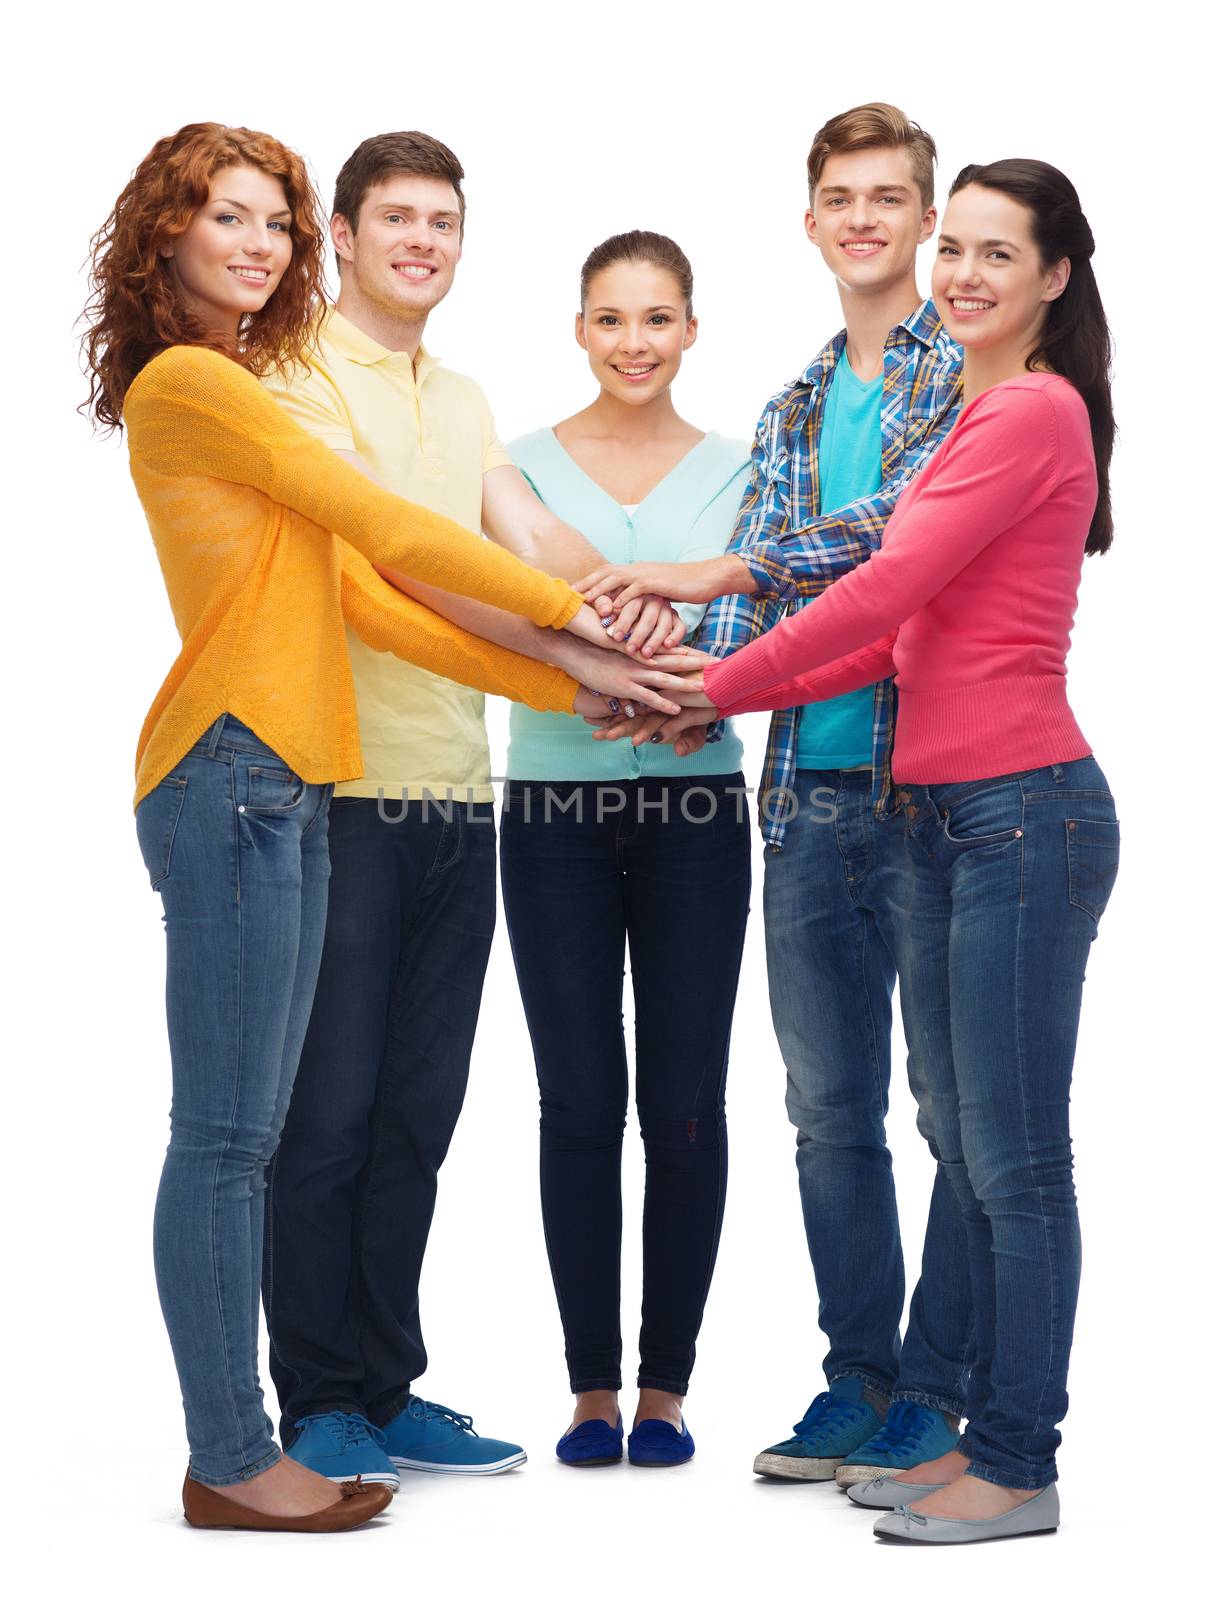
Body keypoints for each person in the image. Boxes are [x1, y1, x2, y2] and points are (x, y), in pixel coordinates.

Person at [83, 121, 681, 1532]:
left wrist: (566, 681)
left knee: (278, 1126)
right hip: (229, 769)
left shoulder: (239, 392)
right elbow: (389, 528)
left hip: (285, 776)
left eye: (271, 225)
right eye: (225, 219)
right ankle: (234, 1456)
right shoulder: (200, 386)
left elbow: (365, 599)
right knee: (232, 1140)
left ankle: (283, 1431)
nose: (256, 245)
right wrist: (583, 618)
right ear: (164, 238)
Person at [662, 158, 1120, 1544]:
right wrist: (718, 685)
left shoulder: (1028, 412)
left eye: (999, 253)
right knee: (978, 1157)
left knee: (1014, 1164)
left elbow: (883, 583)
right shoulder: (981, 412)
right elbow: (883, 635)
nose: (964, 273)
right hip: (946, 820)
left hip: (1019, 817)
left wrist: (707, 683)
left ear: (1052, 277)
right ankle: (975, 1439)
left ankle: (1015, 1462)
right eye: (956, 250)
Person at [260, 137, 687, 1489]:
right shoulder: (289, 378)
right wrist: (575, 653)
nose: (422, 243)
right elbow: (395, 563)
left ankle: (386, 1390)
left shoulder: (462, 396)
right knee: (323, 1115)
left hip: (459, 792)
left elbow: (527, 530)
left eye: (443, 223)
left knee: (415, 1117)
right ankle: (315, 1400)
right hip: (337, 785)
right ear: (339, 231)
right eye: (396, 219)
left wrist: (621, 610)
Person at [578, 104, 973, 1486]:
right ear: (808, 223)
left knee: (952, 1110)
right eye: (836, 198)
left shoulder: (966, 375)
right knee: (827, 1112)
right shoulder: (791, 407)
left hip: (935, 788)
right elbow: (755, 623)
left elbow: (900, 536)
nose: (860, 218)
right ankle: (855, 1382)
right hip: (804, 793)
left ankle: (937, 1388)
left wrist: (720, 583)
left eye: (885, 196)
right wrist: (666, 687)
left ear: (925, 219)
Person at [500, 232, 752, 1468]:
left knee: (687, 1102)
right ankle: (590, 1388)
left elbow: (777, 618)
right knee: (578, 1102)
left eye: (658, 318)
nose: (635, 342)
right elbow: (501, 615)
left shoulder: (744, 468)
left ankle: (667, 1387)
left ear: (692, 329)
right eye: (611, 319)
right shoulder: (514, 467)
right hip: (549, 810)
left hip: (701, 809)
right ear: (580, 329)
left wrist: (711, 690)